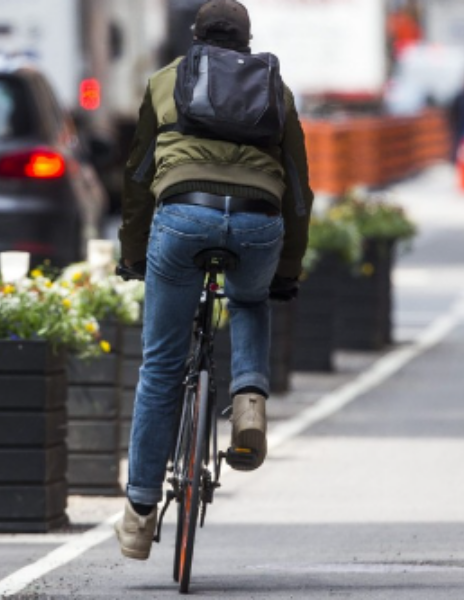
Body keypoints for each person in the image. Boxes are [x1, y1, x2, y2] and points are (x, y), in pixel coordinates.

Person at [114, 0, 314, 560]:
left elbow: (137, 180)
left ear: (196, 38)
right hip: (257, 220)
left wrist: (133, 256)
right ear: (247, 43)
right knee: (251, 300)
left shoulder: (164, 82)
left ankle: (139, 513)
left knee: (161, 365)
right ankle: (248, 400)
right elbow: (298, 191)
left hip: (182, 215)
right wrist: (286, 271)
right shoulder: (278, 90)